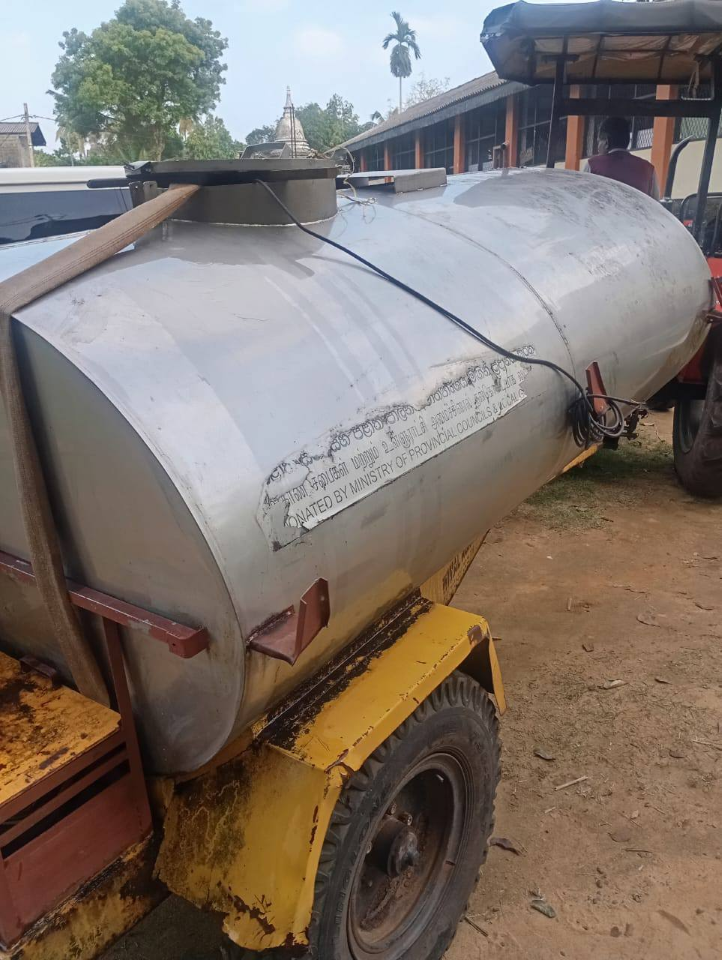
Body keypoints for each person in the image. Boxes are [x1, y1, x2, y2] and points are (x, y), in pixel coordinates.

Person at [584, 116, 660, 200]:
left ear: (606, 142)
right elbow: (655, 203)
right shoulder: (648, 169)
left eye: (598, 141)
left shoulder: (592, 165)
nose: (598, 147)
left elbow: (583, 198)